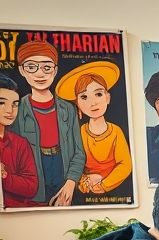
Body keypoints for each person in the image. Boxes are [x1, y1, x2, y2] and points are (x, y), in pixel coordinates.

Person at [11, 40, 85, 206]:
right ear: (22, 70)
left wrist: (71, 181)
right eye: (31, 66)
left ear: (55, 70)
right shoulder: (17, 109)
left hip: (62, 166)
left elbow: (79, 152)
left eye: (46, 67)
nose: (40, 74)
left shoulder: (68, 109)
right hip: (34, 173)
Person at [55, 61, 132, 198]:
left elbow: (125, 165)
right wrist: (84, 181)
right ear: (77, 104)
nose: (93, 102)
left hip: (115, 193)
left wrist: (104, 184)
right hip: (83, 195)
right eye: (84, 97)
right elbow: (71, 163)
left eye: (98, 94)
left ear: (107, 98)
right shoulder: (79, 133)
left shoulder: (116, 131)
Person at [0, 74, 39, 209]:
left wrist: (5, 176)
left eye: (15, 104)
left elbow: (31, 187)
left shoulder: (20, 143)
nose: (10, 110)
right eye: (1, 103)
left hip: (17, 215)